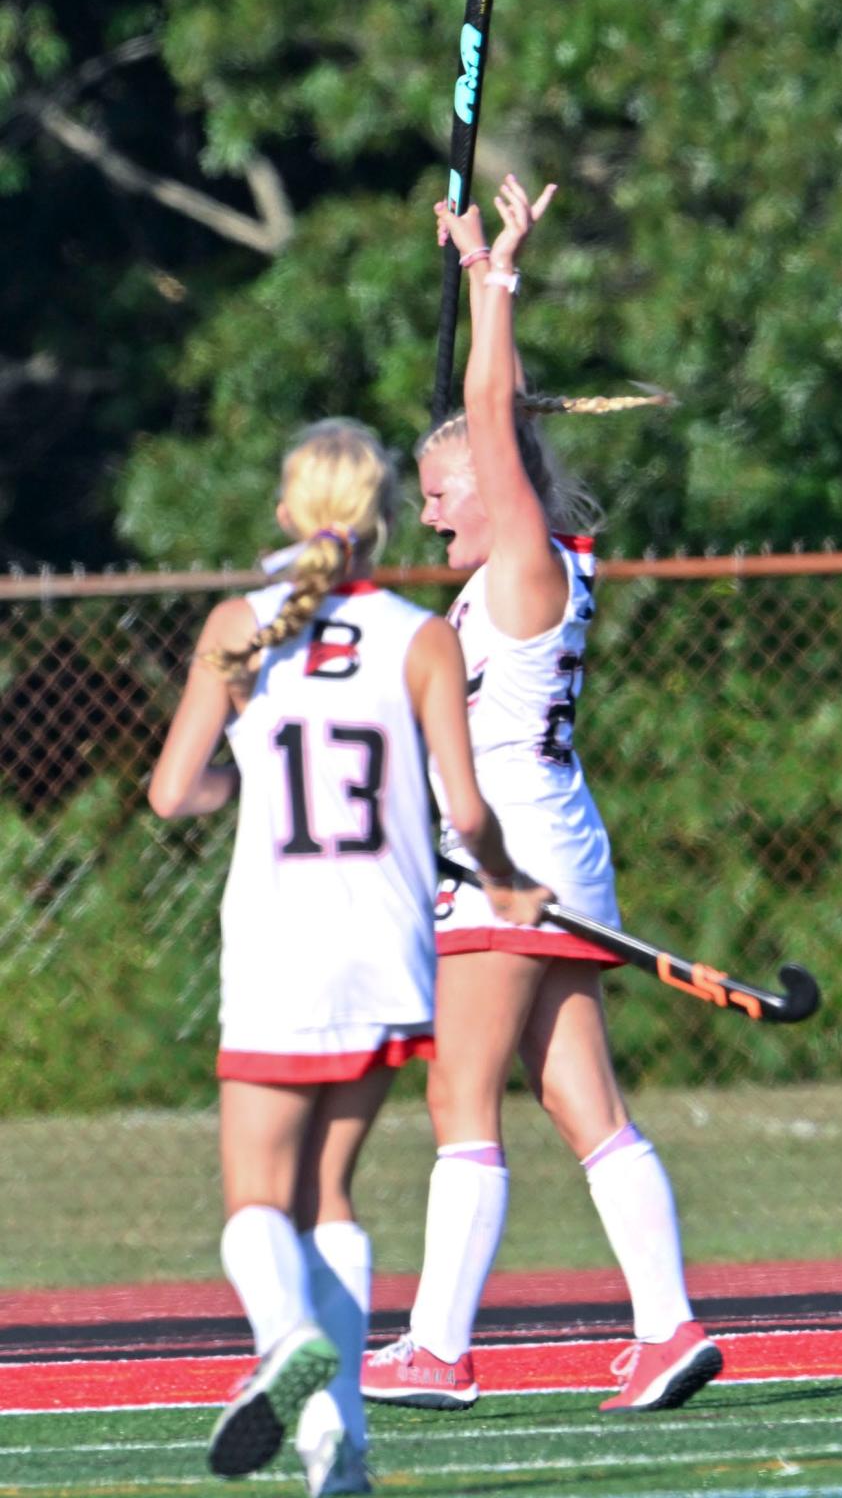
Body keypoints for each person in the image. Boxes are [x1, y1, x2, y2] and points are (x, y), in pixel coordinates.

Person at [360, 178, 723, 1414]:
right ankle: (668, 1327)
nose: (429, 507)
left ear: (498, 482)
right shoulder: (526, 569)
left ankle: (437, 1348)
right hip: (559, 848)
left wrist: (491, 270)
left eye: (441, 488)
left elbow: (482, 406)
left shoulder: (520, 558)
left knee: (459, 1093)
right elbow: (478, 420)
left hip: (513, 858)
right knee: (582, 1101)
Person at [148, 419, 551, 1495]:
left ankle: (284, 1343)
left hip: (278, 949)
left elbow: (173, 791)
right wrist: (508, 881)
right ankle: (343, 1446)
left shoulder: (241, 624)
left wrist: (246, 783)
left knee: (255, 1204)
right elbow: (465, 806)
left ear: (288, 515)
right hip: (390, 953)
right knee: (331, 1193)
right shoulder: (423, 637)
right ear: (377, 519)